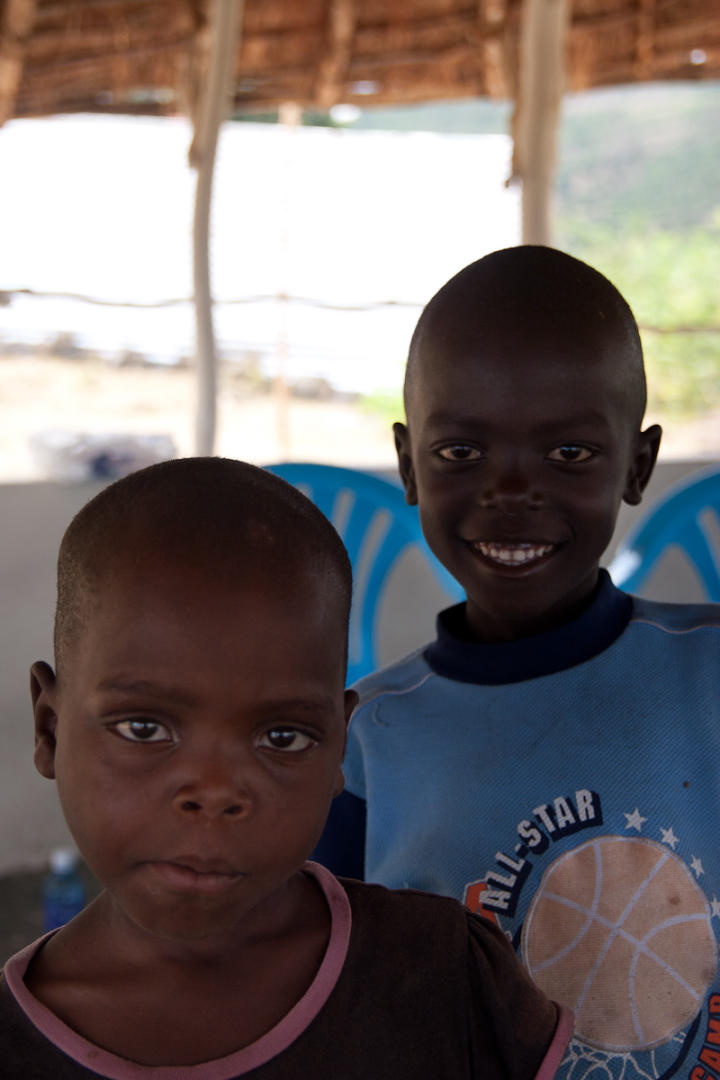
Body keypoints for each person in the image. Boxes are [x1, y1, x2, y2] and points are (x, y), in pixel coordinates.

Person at [0, 457, 570, 1079]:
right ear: (49, 728)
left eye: (282, 737)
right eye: (144, 729)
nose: (215, 791)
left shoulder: (445, 976)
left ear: (339, 746)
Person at [314, 246, 720, 1080]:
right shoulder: (364, 744)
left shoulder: (709, 675)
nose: (509, 489)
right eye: (462, 452)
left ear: (637, 464)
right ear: (408, 465)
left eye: (568, 453)